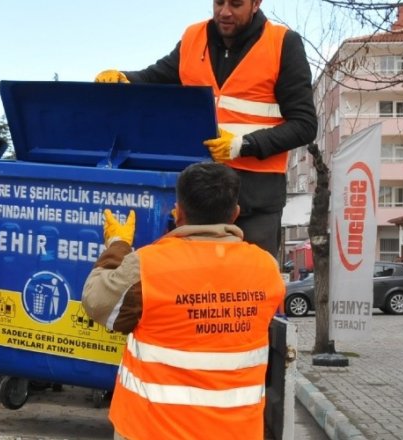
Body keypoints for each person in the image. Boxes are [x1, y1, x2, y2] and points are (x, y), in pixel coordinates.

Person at [95, 0, 317, 258]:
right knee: (195, 286)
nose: (224, 12)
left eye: (235, 4)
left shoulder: (282, 44)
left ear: (256, 3)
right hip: (199, 194)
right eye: (218, 2)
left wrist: (242, 145)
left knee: (251, 287)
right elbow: (156, 77)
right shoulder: (193, 38)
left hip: (255, 199)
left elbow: (304, 125)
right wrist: (125, 79)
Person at [82, 162, 285, 439]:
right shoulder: (267, 268)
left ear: (179, 212)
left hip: (150, 430)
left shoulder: (148, 266)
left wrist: (117, 244)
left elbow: (97, 302)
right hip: (236, 432)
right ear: (235, 213)